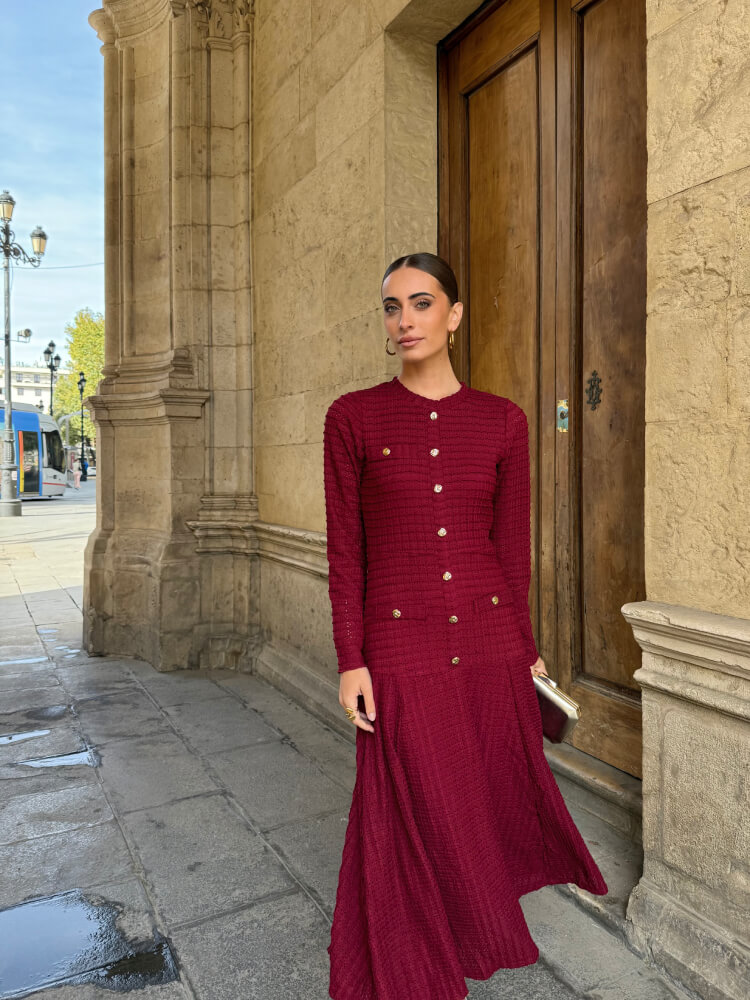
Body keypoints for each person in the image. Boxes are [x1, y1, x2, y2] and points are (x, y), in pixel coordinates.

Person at [322, 252, 608, 1000]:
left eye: (422, 303)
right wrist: (351, 659)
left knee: (478, 797)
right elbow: (346, 552)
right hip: (398, 645)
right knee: (410, 799)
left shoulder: (503, 422)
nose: (405, 320)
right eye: (392, 307)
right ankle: (409, 962)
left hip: (487, 642)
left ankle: (467, 931)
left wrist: (527, 651)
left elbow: (510, 554)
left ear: (454, 316)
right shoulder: (352, 417)